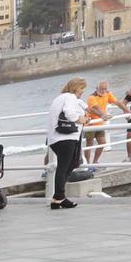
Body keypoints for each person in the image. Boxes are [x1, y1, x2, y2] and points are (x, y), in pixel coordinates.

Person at [46, 77, 87, 211]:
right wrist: (79, 119)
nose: (82, 92)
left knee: (70, 164)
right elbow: (70, 113)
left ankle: (58, 198)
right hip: (65, 138)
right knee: (64, 167)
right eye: (81, 89)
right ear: (75, 87)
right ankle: (59, 197)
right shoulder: (70, 97)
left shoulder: (60, 98)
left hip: (55, 138)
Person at [82, 80, 122, 167]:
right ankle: (88, 164)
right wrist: (103, 115)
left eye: (105, 89)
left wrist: (127, 111)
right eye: (101, 89)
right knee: (89, 144)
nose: (103, 91)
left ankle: (95, 162)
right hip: (91, 124)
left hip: (100, 123)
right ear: (97, 88)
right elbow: (96, 108)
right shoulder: (91, 97)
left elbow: (117, 102)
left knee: (102, 142)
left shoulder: (108, 93)